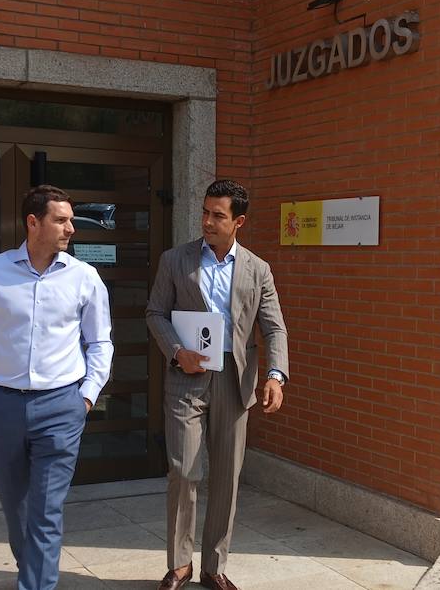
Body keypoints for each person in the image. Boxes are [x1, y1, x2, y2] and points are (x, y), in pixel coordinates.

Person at [0, 185, 113, 590]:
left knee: (46, 510)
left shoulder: (84, 277)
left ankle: (36, 584)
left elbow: (100, 341)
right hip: (0, 404)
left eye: (71, 220)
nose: (71, 228)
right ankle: (34, 574)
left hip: (62, 406)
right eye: (61, 220)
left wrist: (87, 395)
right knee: (17, 508)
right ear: (33, 222)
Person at [146, 180, 289, 590]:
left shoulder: (258, 269)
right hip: (186, 377)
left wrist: (276, 376)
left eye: (218, 215)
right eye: (205, 212)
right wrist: (177, 351)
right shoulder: (175, 260)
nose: (207, 221)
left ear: (238, 222)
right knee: (183, 471)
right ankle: (179, 565)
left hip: (235, 380)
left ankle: (213, 566)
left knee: (227, 476)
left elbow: (274, 328)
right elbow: (155, 313)